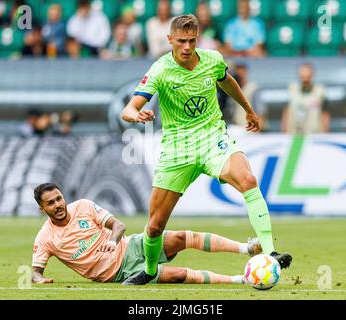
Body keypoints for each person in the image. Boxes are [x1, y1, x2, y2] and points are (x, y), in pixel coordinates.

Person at [120, 14, 292, 285]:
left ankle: (270, 252)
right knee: (154, 225)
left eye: (191, 41)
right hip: (178, 149)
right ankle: (151, 270)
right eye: (180, 42)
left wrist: (248, 110)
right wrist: (133, 114)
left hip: (213, 139)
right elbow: (131, 106)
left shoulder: (212, 60)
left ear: (197, 39)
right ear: (169, 40)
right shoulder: (160, 69)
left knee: (248, 180)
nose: (186, 47)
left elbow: (227, 81)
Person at [31, 183, 263, 285]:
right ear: (43, 209)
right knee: (179, 274)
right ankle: (240, 280)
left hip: (131, 246)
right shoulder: (45, 238)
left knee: (181, 238)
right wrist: (39, 279)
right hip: (120, 272)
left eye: (59, 198)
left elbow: (118, 225)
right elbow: (35, 272)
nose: (58, 205)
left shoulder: (82, 205)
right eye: (51, 203)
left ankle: (246, 248)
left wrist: (112, 242)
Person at [281, 63, 330, 134]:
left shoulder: (320, 91)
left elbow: (325, 113)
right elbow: (286, 111)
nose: (305, 77)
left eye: (307, 75)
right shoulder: (292, 89)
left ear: (312, 74)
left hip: (315, 134)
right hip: (294, 134)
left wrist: (325, 131)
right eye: (302, 75)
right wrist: (284, 131)